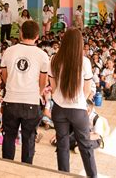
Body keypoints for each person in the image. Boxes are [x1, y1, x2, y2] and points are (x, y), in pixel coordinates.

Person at [48, 28, 97, 177]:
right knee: (85, 145)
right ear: (79, 43)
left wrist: (62, 99)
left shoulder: (54, 59)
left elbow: (54, 88)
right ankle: (92, 175)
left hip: (59, 109)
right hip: (78, 110)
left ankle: (64, 175)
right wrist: (79, 101)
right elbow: (87, 90)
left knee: (62, 145)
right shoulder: (85, 62)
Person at [0, 20, 49, 164]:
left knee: (9, 137)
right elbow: (43, 81)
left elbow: (4, 75)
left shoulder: (9, 51)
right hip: (31, 102)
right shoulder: (42, 55)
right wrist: (35, 92)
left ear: (21, 33)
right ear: (37, 36)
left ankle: (6, 168)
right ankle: (26, 170)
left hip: (11, 100)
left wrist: (14, 85)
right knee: (28, 140)